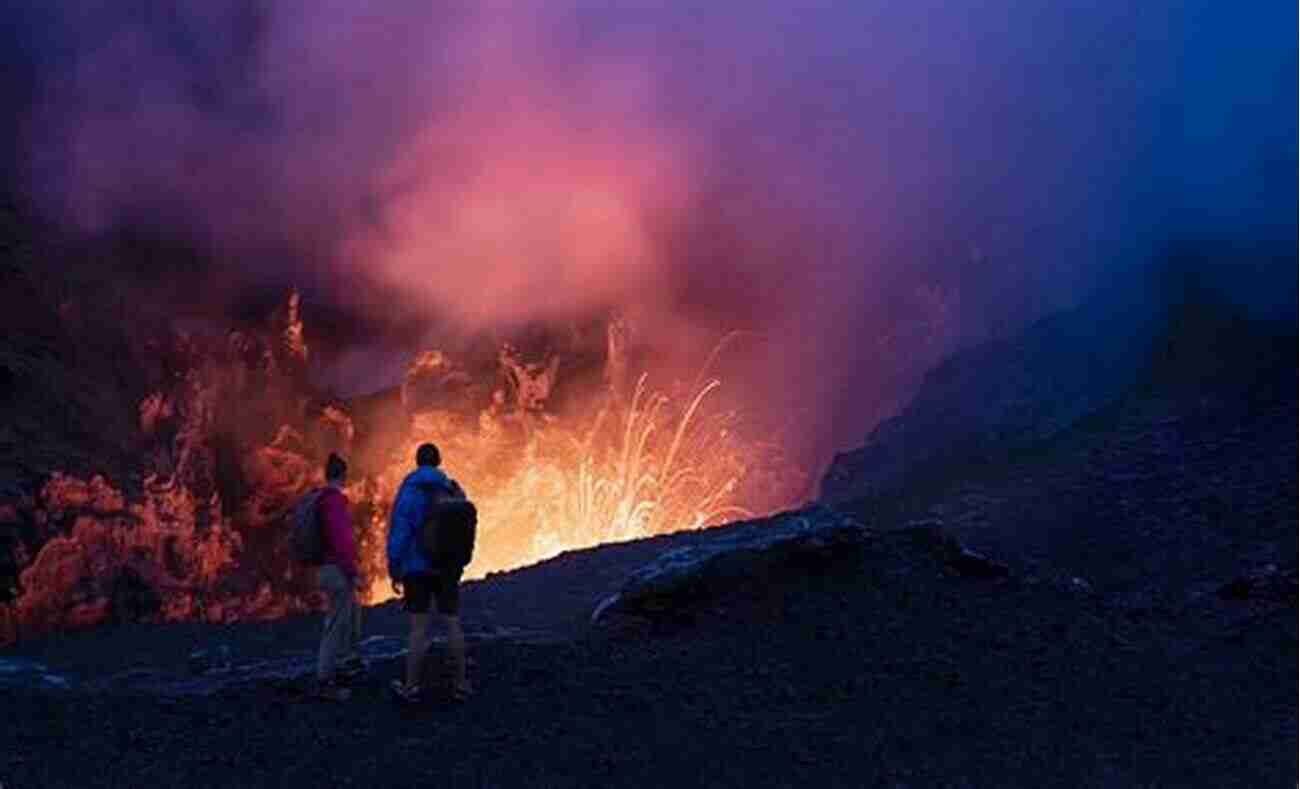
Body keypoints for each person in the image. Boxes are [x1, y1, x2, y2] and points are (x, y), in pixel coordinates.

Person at [386, 442, 471, 703]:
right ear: (438, 462)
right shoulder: (451, 489)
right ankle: (460, 684)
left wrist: (394, 565)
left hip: (417, 569)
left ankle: (412, 686)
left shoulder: (409, 492)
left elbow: (400, 532)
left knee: (419, 627)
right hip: (446, 567)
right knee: (452, 622)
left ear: (417, 462)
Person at [315, 452, 365, 701]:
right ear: (343, 476)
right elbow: (342, 541)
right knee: (336, 624)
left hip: (326, 569)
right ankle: (325, 680)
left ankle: (347, 664)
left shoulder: (321, 500)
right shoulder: (334, 502)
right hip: (336, 571)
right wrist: (352, 571)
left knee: (349, 615)